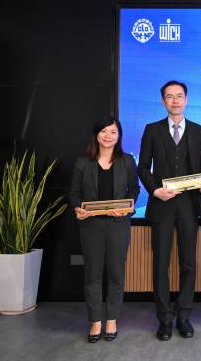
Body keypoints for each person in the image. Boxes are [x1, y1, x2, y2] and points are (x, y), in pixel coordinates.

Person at [137, 80, 201, 341]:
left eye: (179, 96)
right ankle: (164, 318)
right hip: (162, 204)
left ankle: (184, 315)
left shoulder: (199, 131)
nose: (175, 101)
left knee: (188, 262)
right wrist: (154, 190)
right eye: (169, 97)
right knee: (161, 262)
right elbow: (143, 167)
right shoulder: (152, 129)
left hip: (189, 205)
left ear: (186, 99)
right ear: (163, 101)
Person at [69, 117, 140, 343]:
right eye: (104, 131)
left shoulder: (127, 161)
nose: (108, 136)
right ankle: (95, 322)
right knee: (93, 274)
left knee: (116, 274)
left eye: (113, 132)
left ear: (119, 136)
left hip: (118, 225)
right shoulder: (83, 162)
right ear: (96, 135)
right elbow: (74, 193)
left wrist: (127, 207)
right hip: (91, 226)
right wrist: (78, 208)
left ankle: (111, 320)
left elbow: (134, 188)